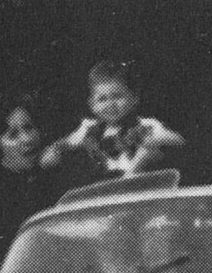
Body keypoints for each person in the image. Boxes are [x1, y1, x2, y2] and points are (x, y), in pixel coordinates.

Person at [40, 60, 185, 182]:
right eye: (102, 99)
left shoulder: (146, 125)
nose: (110, 104)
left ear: (134, 98)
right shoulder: (89, 129)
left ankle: (128, 179)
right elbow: (66, 143)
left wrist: (155, 141)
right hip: (104, 190)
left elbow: (178, 140)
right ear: (92, 105)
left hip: (141, 186)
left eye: (117, 96)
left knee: (148, 150)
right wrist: (54, 150)